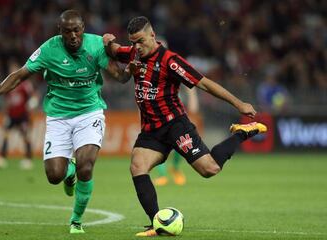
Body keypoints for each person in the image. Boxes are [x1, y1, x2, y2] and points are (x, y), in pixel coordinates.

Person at [103, 16, 267, 237]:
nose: (136, 47)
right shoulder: (133, 53)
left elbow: (205, 83)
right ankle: (156, 223)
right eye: (133, 42)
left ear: (152, 35)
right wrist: (106, 40)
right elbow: (113, 49)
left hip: (175, 125)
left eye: (140, 41)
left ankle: (241, 133)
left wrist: (239, 104)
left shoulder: (171, 61)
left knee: (209, 169)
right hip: (152, 129)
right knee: (137, 166)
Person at [0, 10, 130, 234]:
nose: (73, 36)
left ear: (83, 29)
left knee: (86, 167)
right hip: (58, 117)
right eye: (67, 31)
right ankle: (69, 174)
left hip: (90, 113)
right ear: (60, 32)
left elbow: (121, 77)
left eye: (77, 30)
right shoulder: (49, 49)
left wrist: (131, 66)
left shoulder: (97, 45)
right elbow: (20, 74)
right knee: (54, 176)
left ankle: (76, 220)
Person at [0, 60, 37, 170]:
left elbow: (34, 96)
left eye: (14, 69)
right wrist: (6, 113)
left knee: (25, 135)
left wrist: (31, 105)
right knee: (6, 134)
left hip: (22, 115)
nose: (12, 71)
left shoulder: (25, 85)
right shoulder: (9, 85)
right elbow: (7, 101)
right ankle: (2, 158)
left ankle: (28, 159)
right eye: (10, 70)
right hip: (12, 115)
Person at [153, 87, 199, 186]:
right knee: (158, 145)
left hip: (177, 115)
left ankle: (175, 168)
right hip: (158, 115)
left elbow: (189, 85)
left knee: (182, 143)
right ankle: (162, 175)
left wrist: (192, 99)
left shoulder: (175, 75)